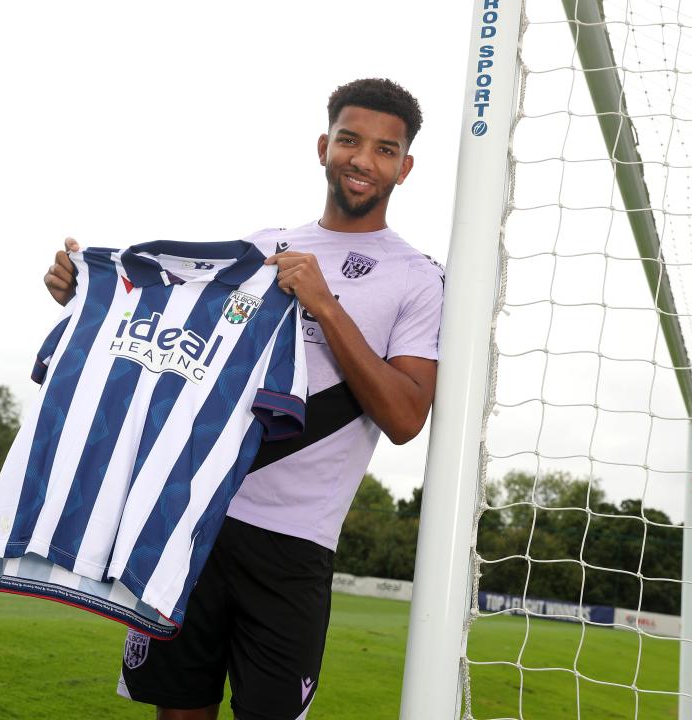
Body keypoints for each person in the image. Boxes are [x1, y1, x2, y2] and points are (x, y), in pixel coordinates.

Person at [44, 77, 444, 720]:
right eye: (349, 140)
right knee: (177, 709)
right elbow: (177, 342)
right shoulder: (262, 248)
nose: (363, 160)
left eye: (384, 149)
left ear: (406, 166)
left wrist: (324, 305)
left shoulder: (418, 277)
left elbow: (404, 417)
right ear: (323, 146)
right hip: (193, 514)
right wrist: (91, 301)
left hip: (294, 544)